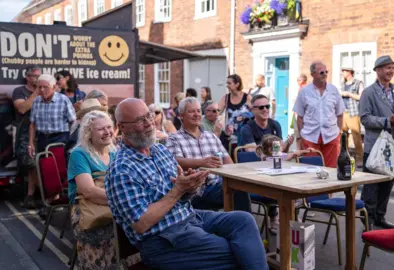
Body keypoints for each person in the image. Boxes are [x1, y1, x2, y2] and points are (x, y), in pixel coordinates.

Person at [105, 98, 267, 270]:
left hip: (188, 218)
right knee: (240, 251)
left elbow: (179, 195)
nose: (148, 123)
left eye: (148, 116)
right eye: (139, 120)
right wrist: (178, 190)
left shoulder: (158, 150)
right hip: (163, 240)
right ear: (121, 127)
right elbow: (141, 223)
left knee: (243, 220)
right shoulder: (121, 169)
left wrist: (190, 187)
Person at [167, 97, 252, 212]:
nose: (197, 114)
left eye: (198, 111)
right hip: (195, 191)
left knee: (240, 184)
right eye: (191, 111)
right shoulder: (174, 138)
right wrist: (202, 162)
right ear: (181, 115)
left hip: (217, 185)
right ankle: (242, 225)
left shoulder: (211, 136)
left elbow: (229, 163)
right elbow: (175, 161)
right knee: (237, 189)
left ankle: (240, 223)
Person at [359, 55, 394, 230]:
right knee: (372, 183)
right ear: (378, 70)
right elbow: (365, 119)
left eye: (392, 68)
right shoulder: (368, 92)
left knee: (388, 182)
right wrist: (388, 121)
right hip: (376, 145)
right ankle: (368, 217)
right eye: (387, 68)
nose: (391, 71)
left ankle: (380, 216)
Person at [67, 110, 117, 270]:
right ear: (88, 133)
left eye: (109, 127)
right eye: (101, 129)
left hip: (112, 207)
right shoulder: (79, 154)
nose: (108, 132)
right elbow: (88, 191)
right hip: (89, 212)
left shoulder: (114, 151)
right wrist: (122, 201)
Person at [293, 61, 345, 168]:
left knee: (331, 170)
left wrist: (338, 132)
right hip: (310, 137)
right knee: (311, 169)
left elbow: (340, 114)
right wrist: (302, 134)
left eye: (326, 72)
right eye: (322, 72)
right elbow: (300, 117)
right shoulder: (304, 91)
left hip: (331, 136)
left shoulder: (333, 90)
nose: (325, 74)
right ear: (312, 74)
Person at [11, 65, 41, 209]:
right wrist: (36, 92)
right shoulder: (19, 91)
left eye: (39, 76)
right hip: (25, 131)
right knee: (30, 163)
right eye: (35, 76)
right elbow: (22, 108)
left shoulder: (45, 91)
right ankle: (31, 194)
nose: (37, 79)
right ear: (27, 77)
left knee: (42, 162)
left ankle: (35, 196)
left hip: (42, 130)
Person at [28, 74, 76, 158]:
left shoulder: (63, 100)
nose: (42, 90)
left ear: (54, 87)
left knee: (58, 167)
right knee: (43, 166)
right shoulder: (36, 101)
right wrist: (30, 143)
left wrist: (71, 142)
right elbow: (32, 124)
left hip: (60, 139)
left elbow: (73, 122)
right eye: (39, 87)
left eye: (45, 87)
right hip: (42, 139)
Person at [218, 74, 252, 145]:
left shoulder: (247, 97)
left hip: (245, 134)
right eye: (227, 83)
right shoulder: (226, 98)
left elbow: (255, 113)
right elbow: (217, 111)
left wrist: (245, 116)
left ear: (237, 84)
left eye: (229, 83)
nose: (227, 85)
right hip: (230, 135)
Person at [340, 66, 364, 165]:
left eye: (344, 71)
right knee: (343, 136)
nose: (342, 73)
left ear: (350, 72)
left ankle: (360, 159)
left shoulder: (358, 83)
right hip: (343, 112)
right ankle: (346, 157)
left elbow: (361, 97)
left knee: (356, 136)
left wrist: (348, 94)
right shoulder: (343, 84)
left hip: (353, 113)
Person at [293, 74, 308, 150]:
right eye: (297, 80)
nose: (297, 82)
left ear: (303, 80)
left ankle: (300, 151)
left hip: (302, 116)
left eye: (299, 80)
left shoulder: (304, 88)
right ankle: (299, 151)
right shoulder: (300, 88)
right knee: (298, 135)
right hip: (298, 113)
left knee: (300, 134)